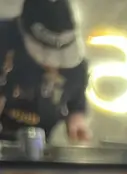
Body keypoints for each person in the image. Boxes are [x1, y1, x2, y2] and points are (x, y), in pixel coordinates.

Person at [0, 0, 90, 142]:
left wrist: (76, 117)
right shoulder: (5, 40)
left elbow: (76, 96)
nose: (53, 65)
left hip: (40, 143)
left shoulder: (75, 64)